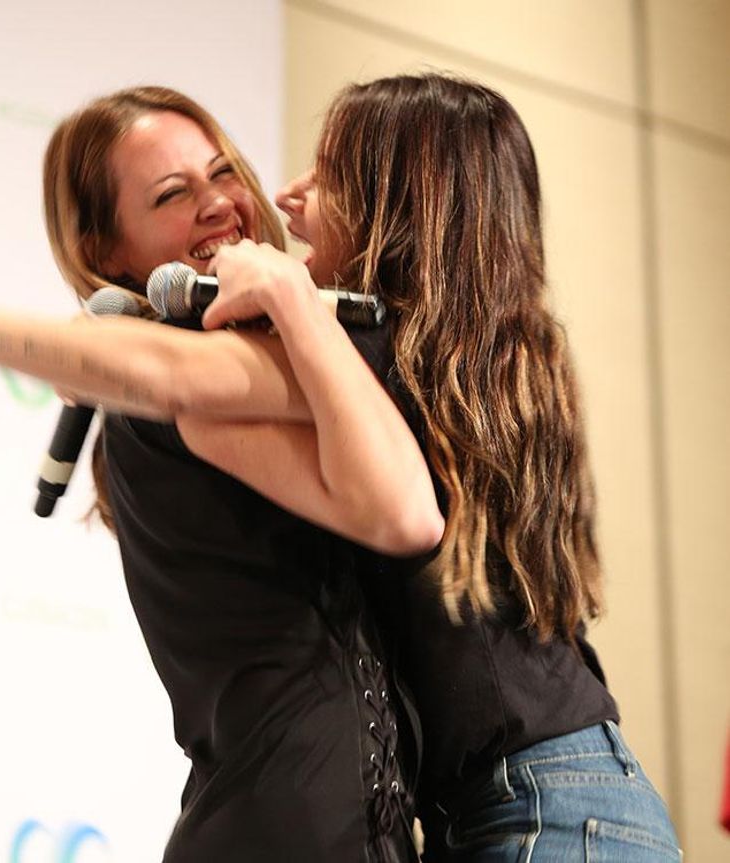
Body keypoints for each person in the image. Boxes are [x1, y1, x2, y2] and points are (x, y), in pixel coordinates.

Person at [0, 86, 443, 862]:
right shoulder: (184, 390)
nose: (219, 202)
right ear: (110, 253)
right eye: (171, 193)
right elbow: (162, 370)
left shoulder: (301, 353)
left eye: (223, 172)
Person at [188, 74, 682, 861]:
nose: (289, 196)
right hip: (569, 797)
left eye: (327, 173)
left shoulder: (381, 361)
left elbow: (200, 408)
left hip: (537, 809)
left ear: (398, 197)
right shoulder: (495, 360)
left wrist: (277, 291)